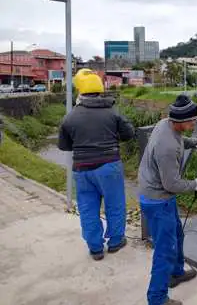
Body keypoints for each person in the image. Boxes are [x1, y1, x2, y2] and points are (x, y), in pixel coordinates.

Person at [138, 93, 197, 305]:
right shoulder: (166, 147)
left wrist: (194, 142)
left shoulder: (166, 124)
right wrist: (195, 184)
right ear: (182, 121)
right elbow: (172, 184)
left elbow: (179, 139)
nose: (195, 122)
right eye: (193, 120)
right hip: (157, 199)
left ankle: (176, 273)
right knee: (165, 250)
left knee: (177, 235)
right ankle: (157, 298)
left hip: (161, 196)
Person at [58, 68, 135, 261]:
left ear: (80, 92)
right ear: (100, 90)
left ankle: (95, 248)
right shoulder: (112, 112)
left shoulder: (70, 117)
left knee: (87, 208)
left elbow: (64, 146)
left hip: (82, 169)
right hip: (109, 165)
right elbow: (128, 134)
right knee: (115, 204)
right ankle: (116, 241)